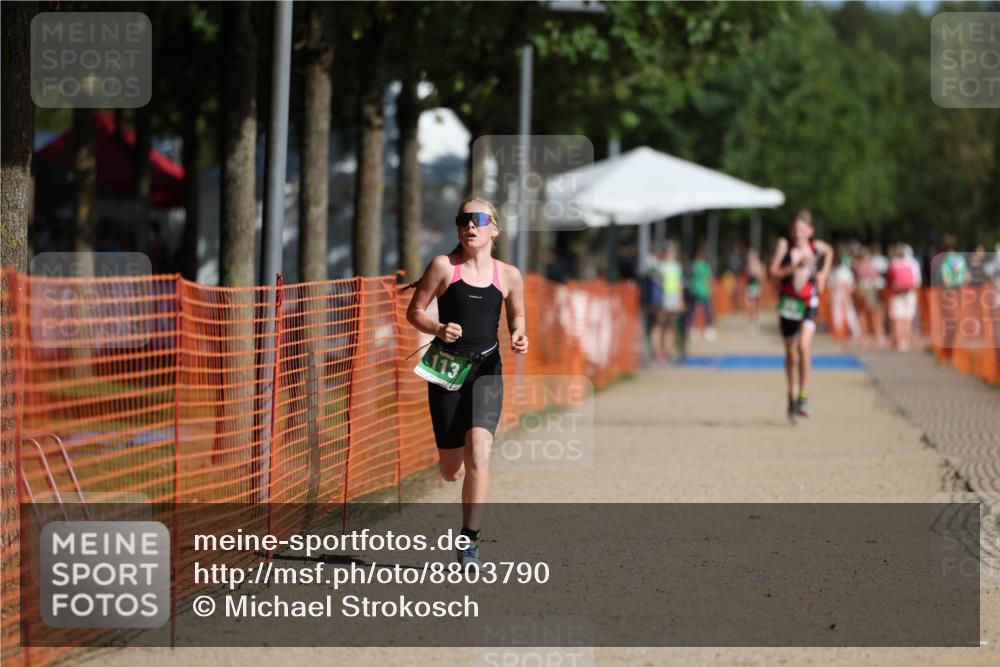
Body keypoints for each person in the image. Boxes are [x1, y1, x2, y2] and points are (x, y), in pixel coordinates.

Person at [406, 197, 528, 568]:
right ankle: (451, 464)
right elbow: (414, 311)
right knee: (451, 469)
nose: (469, 226)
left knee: (479, 451)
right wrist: (438, 327)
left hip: (487, 368)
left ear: (494, 229)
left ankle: (469, 540)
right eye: (462, 220)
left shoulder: (508, 275)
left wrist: (519, 334)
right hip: (445, 369)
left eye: (477, 219)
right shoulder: (444, 267)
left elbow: (518, 314)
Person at [769, 209, 833, 423]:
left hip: (809, 303)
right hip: (789, 304)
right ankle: (792, 393)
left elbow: (830, 251)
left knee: (804, 347)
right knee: (791, 353)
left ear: (810, 231)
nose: (798, 234)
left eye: (802, 230)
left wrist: (823, 274)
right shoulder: (785, 246)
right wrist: (792, 268)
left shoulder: (817, 248)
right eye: (795, 230)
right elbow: (773, 272)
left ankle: (804, 397)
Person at [655, 242, 686, 364]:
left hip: (673, 300)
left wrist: (680, 300)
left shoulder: (676, 266)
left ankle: (669, 351)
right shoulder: (659, 267)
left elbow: (679, 285)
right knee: (660, 325)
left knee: (670, 326)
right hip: (662, 300)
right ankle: (658, 352)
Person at [887, 244, 918, 351]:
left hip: (897, 293)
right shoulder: (912, 263)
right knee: (908, 318)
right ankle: (907, 340)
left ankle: (900, 341)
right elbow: (916, 281)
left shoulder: (893, 264)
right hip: (910, 293)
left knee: (898, 318)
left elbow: (890, 280)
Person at [686, 247, 716, 342]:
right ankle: (697, 329)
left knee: (696, 311)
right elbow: (710, 279)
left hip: (700, 291)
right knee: (699, 311)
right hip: (699, 291)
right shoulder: (699, 266)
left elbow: (709, 279)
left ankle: (698, 329)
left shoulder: (694, 266)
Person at [744, 248, 765, 334]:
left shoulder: (760, 265)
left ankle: (756, 325)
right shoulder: (748, 266)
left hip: (757, 288)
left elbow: (762, 278)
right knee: (749, 308)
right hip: (750, 288)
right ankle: (750, 325)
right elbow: (746, 278)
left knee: (755, 308)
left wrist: (757, 274)